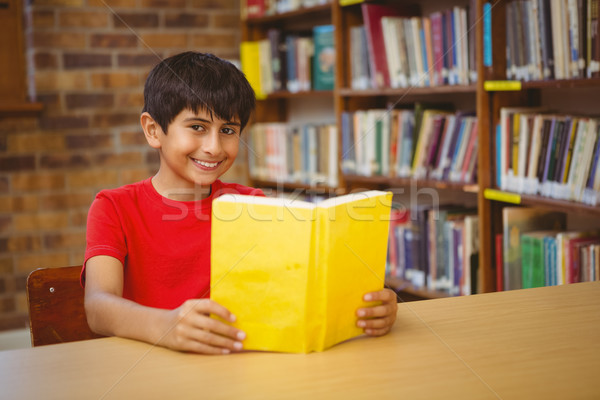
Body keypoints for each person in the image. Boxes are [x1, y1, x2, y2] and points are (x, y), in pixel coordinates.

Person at [83, 51, 398, 355]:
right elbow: (98, 307)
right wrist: (167, 326)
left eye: (228, 130)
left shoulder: (252, 205)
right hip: (152, 368)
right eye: (197, 127)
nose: (214, 147)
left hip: (237, 363)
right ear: (154, 130)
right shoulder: (114, 207)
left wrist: (371, 304)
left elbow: (286, 294)